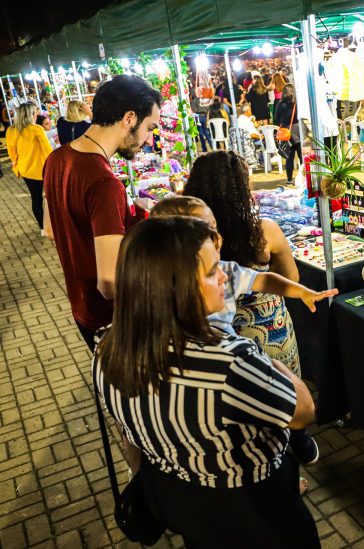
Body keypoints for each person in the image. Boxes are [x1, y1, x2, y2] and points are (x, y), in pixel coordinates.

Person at [92, 216, 320, 547]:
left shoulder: (108, 347)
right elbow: (303, 410)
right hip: (252, 507)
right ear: (178, 287)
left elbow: (131, 432)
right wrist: (261, 354)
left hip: (179, 497)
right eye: (213, 271)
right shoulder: (227, 361)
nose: (225, 276)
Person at [183, 151, 322, 466]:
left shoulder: (189, 242)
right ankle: (297, 440)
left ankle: (271, 453)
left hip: (224, 334)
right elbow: (292, 277)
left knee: (249, 401)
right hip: (271, 327)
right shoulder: (265, 231)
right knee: (286, 389)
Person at [43, 74, 161, 351]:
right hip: (114, 320)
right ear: (129, 118)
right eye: (150, 127)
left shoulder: (57, 158)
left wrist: (127, 213)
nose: (148, 138)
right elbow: (109, 282)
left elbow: (50, 230)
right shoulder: (104, 182)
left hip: (81, 307)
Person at [7, 102, 53, 231]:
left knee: (36, 198)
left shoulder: (11, 130)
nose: (36, 115)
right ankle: (54, 224)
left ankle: (43, 228)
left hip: (25, 169)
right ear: (31, 114)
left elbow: (12, 153)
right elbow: (47, 151)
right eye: (35, 112)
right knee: (51, 197)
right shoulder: (36, 129)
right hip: (43, 170)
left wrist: (17, 167)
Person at [273, 84, 301, 184]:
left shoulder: (280, 104)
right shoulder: (297, 103)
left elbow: (276, 119)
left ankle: (289, 180)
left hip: (285, 132)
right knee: (301, 157)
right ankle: (304, 179)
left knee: (289, 158)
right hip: (298, 131)